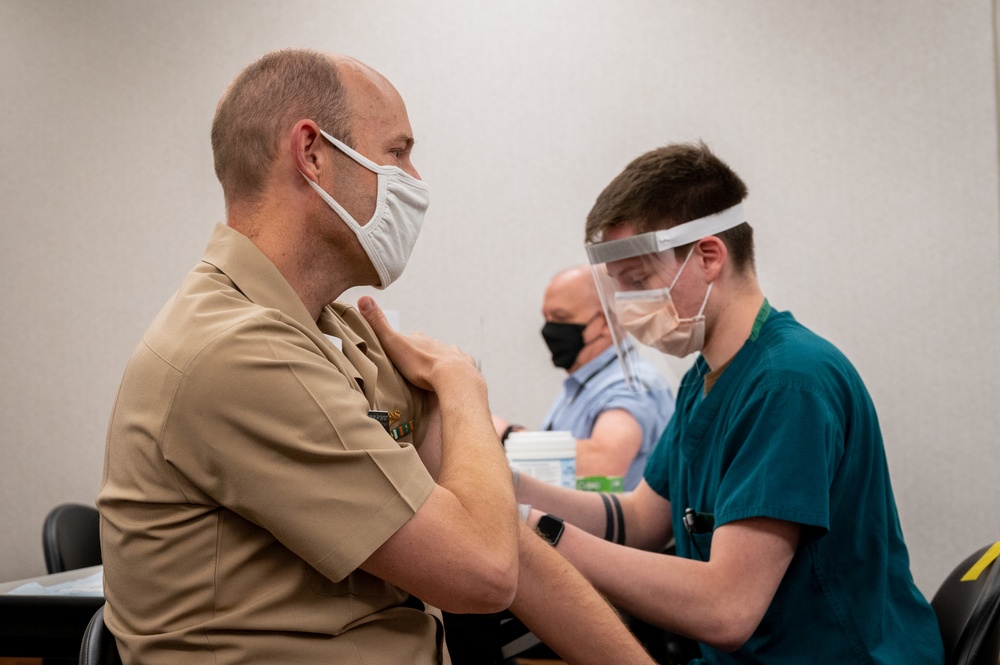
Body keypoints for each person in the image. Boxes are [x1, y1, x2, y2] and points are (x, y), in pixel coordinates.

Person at [97, 49, 655, 665]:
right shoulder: (237, 352)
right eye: (397, 152)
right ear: (311, 154)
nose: (414, 181)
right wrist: (463, 387)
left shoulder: (337, 331)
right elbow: (482, 572)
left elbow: (503, 540)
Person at [513, 142, 945, 664]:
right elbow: (639, 519)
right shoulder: (708, 377)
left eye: (639, 282)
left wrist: (541, 532)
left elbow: (726, 607)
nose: (627, 308)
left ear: (709, 256)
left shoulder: (789, 384)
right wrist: (508, 487)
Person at [498, 265, 674, 491]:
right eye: (547, 318)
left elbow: (604, 463)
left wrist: (507, 435)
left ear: (604, 324)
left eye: (561, 317)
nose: (549, 329)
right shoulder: (584, 382)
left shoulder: (632, 384)